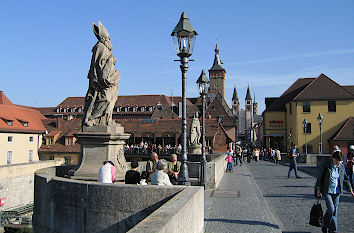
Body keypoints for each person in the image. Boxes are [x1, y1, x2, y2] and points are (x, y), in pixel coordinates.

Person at [315, 151, 354, 233]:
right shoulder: (326, 166)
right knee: (331, 209)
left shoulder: (341, 167)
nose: (337, 163)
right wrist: (318, 189)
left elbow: (345, 179)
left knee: (335, 212)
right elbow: (320, 178)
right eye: (336, 160)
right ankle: (325, 224)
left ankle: (333, 230)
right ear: (333, 158)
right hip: (327, 190)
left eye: (339, 161)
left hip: (337, 191)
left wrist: (351, 190)